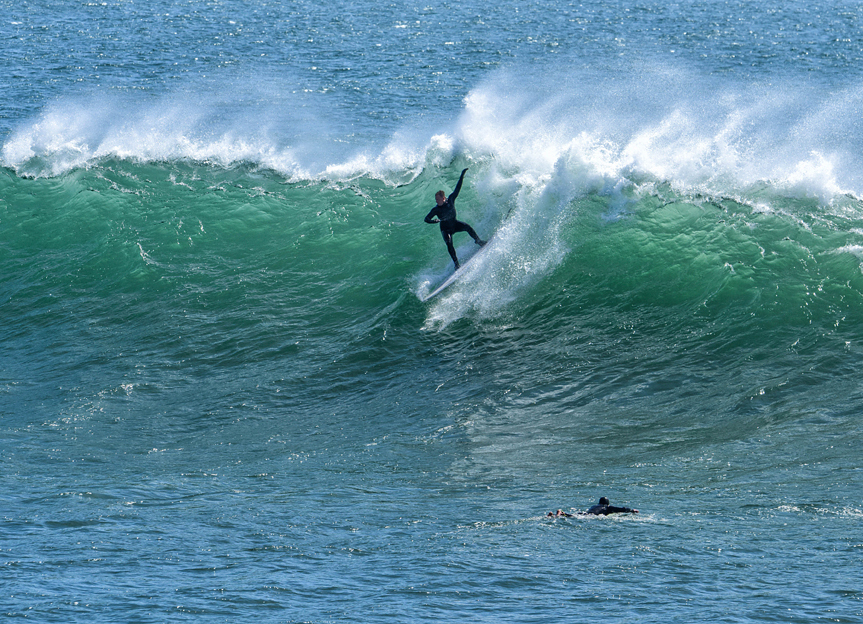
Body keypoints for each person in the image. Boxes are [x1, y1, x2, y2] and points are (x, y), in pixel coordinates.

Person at [424, 167, 485, 269]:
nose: (436, 201)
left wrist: (462, 175)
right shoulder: (435, 210)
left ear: (443, 198)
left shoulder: (451, 199)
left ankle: (479, 241)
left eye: (438, 199)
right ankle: (456, 264)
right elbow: (426, 219)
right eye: (436, 200)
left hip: (455, 224)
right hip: (445, 229)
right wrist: (433, 221)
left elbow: (458, 188)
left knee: (467, 227)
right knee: (449, 244)